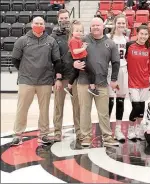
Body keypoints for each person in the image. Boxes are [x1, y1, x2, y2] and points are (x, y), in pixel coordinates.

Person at [11, 17, 62, 145]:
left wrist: (57, 77)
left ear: (44, 26)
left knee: (44, 110)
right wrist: (24, 70)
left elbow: (56, 61)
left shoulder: (51, 41)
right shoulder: (22, 40)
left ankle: (44, 134)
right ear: (31, 25)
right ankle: (18, 134)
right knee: (22, 109)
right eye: (36, 23)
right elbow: (15, 60)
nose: (39, 25)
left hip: (45, 81)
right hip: (26, 80)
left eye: (41, 23)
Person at [73, 17, 120, 146]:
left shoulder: (110, 43)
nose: (95, 28)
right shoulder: (83, 40)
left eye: (98, 26)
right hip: (83, 82)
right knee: (84, 111)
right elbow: (71, 54)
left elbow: (116, 63)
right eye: (93, 25)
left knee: (103, 112)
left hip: (101, 83)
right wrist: (74, 64)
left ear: (103, 27)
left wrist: (114, 79)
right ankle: (86, 136)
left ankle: (107, 136)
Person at [51, 9, 81, 142]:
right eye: (62, 18)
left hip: (75, 76)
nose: (64, 20)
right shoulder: (53, 36)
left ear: (69, 18)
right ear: (58, 19)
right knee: (58, 106)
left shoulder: (76, 34)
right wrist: (56, 78)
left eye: (66, 18)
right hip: (60, 78)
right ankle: (57, 132)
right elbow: (52, 59)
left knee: (78, 106)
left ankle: (79, 131)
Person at [106, 14, 130, 142]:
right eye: (119, 23)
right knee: (110, 101)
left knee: (120, 100)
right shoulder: (108, 38)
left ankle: (118, 129)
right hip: (110, 70)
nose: (121, 25)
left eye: (123, 23)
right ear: (115, 24)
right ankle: (107, 129)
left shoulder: (127, 39)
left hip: (123, 69)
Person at [126, 24, 150, 140]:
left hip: (145, 82)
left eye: (146, 34)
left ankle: (139, 130)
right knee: (135, 107)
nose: (143, 36)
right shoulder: (130, 46)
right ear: (137, 33)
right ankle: (130, 129)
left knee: (141, 109)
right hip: (133, 82)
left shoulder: (149, 47)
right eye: (141, 34)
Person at [65, 20, 99, 97]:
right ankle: (92, 87)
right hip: (80, 60)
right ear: (72, 32)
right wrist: (83, 48)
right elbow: (75, 51)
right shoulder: (73, 40)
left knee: (75, 74)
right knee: (91, 72)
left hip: (80, 59)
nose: (79, 32)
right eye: (77, 31)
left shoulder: (77, 40)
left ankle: (69, 87)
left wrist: (82, 45)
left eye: (81, 31)